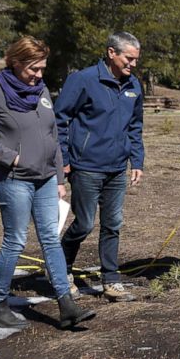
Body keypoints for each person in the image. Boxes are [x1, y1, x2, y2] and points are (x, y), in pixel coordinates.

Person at [0, 36, 96, 330]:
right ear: (15, 63)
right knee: (16, 240)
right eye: (33, 68)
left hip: (47, 179)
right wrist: (10, 157)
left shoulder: (41, 91)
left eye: (42, 68)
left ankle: (66, 305)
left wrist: (59, 178)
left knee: (50, 238)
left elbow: (52, 136)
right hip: (14, 180)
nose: (39, 74)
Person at [55, 31, 144, 302]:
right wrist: (64, 162)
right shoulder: (82, 81)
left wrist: (136, 160)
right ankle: (62, 270)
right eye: (128, 58)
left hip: (117, 168)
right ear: (111, 53)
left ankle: (111, 280)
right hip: (86, 167)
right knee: (83, 224)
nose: (133, 64)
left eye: (136, 59)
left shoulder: (134, 86)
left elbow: (135, 127)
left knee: (113, 223)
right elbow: (60, 121)